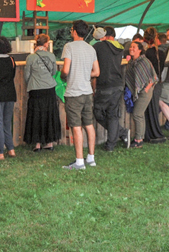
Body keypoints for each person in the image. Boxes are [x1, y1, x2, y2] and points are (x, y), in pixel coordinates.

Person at [61, 20, 99, 170]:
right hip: (87, 92)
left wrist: (64, 76)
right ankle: (91, 158)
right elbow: (97, 72)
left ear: (75, 31)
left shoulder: (69, 46)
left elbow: (65, 70)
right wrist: (84, 73)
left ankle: (79, 162)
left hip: (74, 92)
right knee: (89, 125)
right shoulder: (91, 49)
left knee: (76, 127)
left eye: (71, 29)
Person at [23, 34, 61, 151]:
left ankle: (37, 144)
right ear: (46, 44)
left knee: (36, 115)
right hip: (49, 88)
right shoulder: (51, 56)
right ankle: (49, 143)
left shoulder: (31, 57)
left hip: (35, 89)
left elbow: (27, 75)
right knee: (49, 114)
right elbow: (54, 71)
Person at [92, 26, 126, 152]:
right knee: (112, 114)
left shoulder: (98, 47)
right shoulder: (120, 48)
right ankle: (110, 145)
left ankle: (121, 132)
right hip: (117, 84)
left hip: (104, 84)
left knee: (98, 112)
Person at [125, 41, 157, 148]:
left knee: (137, 114)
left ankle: (138, 140)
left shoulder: (144, 61)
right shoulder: (132, 62)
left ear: (139, 50)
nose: (131, 48)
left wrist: (147, 88)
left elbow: (154, 77)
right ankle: (140, 138)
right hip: (138, 91)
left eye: (134, 47)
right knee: (140, 114)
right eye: (130, 47)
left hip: (144, 91)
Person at [142, 28, 167, 143]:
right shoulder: (160, 53)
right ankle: (154, 133)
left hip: (149, 84)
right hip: (158, 84)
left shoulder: (146, 54)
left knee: (149, 110)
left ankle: (152, 134)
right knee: (153, 110)